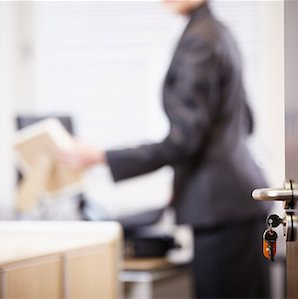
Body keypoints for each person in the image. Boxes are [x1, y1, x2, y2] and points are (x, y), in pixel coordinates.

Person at [57, 1, 271, 297]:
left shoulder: (199, 40)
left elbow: (184, 140)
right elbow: (244, 121)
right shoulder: (218, 33)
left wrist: (102, 157)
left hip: (222, 210)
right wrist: (186, 181)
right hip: (238, 203)